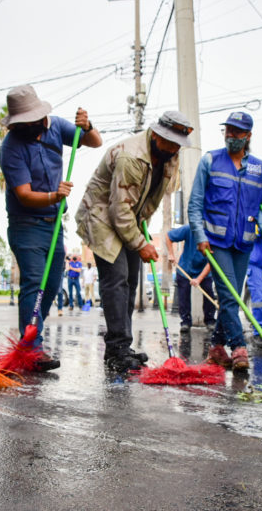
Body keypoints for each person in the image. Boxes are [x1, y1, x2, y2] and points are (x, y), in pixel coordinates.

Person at [76, 111, 193, 371]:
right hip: (102, 215)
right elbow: (118, 210)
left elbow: (153, 194)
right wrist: (141, 244)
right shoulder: (131, 156)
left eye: (178, 144)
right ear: (156, 134)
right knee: (116, 278)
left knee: (130, 281)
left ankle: (120, 346)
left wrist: (141, 233)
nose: (174, 148)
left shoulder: (170, 155)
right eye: (169, 141)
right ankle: (118, 348)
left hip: (130, 216)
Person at [0, 84, 102, 372]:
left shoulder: (56, 126)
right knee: (34, 282)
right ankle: (32, 347)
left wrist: (88, 126)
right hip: (26, 223)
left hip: (55, 223)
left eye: (30, 121)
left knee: (53, 285)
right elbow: (23, 194)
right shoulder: (11, 147)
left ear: (41, 116)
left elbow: (94, 141)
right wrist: (53, 196)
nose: (27, 127)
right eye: (21, 123)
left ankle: (29, 339)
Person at [188, 111, 262, 371]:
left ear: (248, 136)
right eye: (228, 131)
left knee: (230, 297)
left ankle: (216, 348)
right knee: (231, 295)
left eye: (237, 132)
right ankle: (238, 347)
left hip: (244, 243)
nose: (231, 136)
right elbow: (195, 203)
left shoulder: (258, 167)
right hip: (215, 242)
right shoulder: (210, 160)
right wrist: (200, 236)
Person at [165, 224, 216, 333]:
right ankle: (185, 322)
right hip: (185, 267)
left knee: (208, 292)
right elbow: (168, 236)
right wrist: (171, 254)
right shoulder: (189, 229)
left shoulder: (214, 233)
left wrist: (199, 279)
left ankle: (210, 321)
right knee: (183, 296)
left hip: (204, 269)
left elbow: (212, 262)